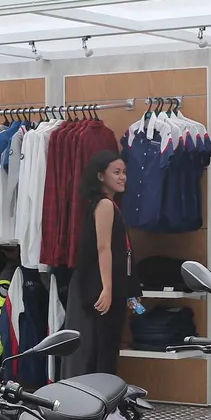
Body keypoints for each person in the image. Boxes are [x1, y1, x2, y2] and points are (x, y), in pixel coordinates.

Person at [62, 150, 139, 379]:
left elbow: (119, 250)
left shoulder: (108, 205)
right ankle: (103, 404)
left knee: (104, 346)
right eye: (116, 172)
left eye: (124, 172)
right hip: (104, 289)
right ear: (100, 176)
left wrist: (129, 291)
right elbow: (103, 248)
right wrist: (107, 289)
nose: (122, 177)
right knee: (104, 349)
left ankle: (102, 402)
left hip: (112, 288)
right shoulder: (104, 205)